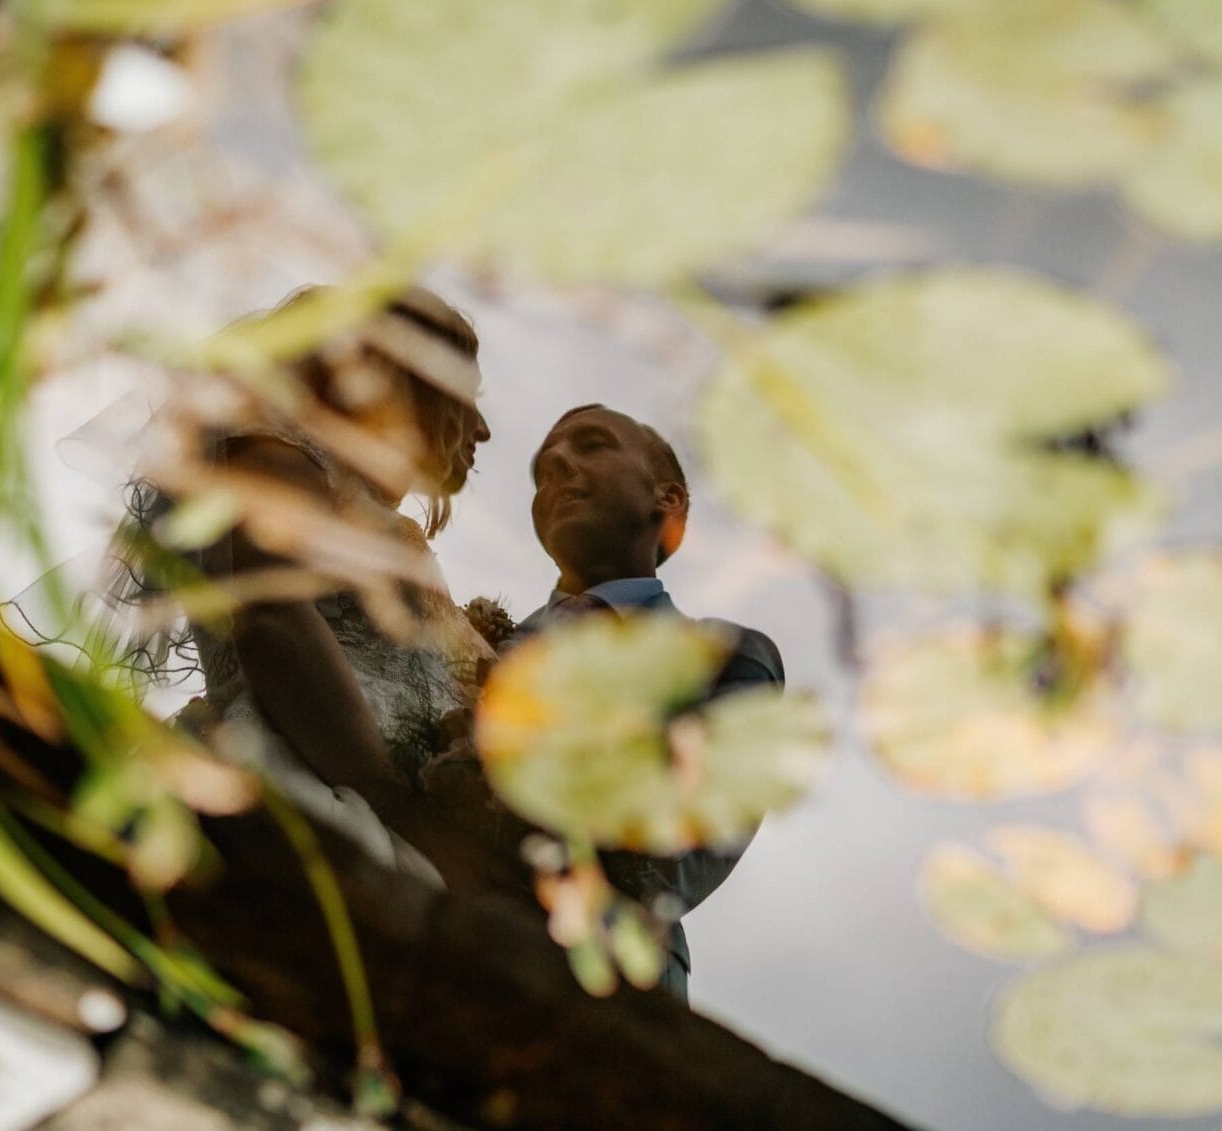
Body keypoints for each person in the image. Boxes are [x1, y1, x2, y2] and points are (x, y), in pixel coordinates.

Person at [118, 285, 515, 893]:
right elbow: (272, 614)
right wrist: (392, 806)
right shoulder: (278, 449)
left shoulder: (383, 525)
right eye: (467, 395)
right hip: (302, 795)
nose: (482, 428)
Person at [511, 404, 785, 1000]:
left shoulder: (730, 659)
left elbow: (675, 861)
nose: (555, 463)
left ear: (669, 501)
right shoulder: (473, 643)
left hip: (606, 988)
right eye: (542, 471)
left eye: (591, 444)